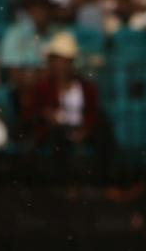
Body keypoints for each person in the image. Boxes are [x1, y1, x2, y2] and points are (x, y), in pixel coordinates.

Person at [20, 34, 110, 172]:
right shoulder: (43, 87)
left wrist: (84, 131)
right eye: (58, 60)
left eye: (65, 61)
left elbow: (93, 113)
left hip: (80, 130)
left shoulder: (86, 87)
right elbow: (31, 113)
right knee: (58, 136)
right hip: (55, 132)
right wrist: (46, 114)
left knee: (102, 129)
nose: (61, 65)